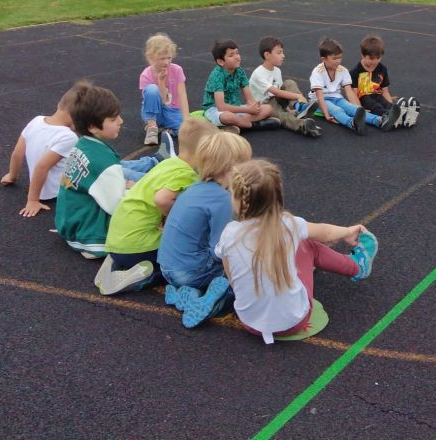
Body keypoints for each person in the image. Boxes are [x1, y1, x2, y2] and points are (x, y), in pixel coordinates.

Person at [213, 159, 378, 344]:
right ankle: (357, 267)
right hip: (294, 321)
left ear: (238, 200)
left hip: (250, 323)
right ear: (277, 196)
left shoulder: (229, 233)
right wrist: (348, 232)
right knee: (308, 244)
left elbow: (230, 274)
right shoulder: (288, 224)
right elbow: (325, 233)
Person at [95, 118, 218, 295]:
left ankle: (116, 262)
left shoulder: (168, 163)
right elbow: (162, 200)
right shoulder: (186, 174)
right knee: (184, 257)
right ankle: (147, 274)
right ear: (205, 152)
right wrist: (171, 220)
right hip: (137, 249)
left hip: (116, 240)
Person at [55, 84, 168, 258]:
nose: (121, 121)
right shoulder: (103, 162)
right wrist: (141, 193)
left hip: (70, 223)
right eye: (114, 119)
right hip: (90, 236)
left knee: (132, 187)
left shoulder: (82, 145)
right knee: (157, 226)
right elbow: (119, 207)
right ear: (92, 126)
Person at [159, 132, 253, 327]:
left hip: (166, 268)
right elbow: (220, 248)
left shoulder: (195, 187)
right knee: (244, 279)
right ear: (230, 169)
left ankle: (187, 294)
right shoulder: (222, 199)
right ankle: (207, 303)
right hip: (189, 272)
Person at [0, 82, 83, 217]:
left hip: (38, 186)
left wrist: (12, 176)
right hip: (56, 191)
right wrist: (33, 200)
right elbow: (42, 167)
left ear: (59, 104)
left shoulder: (36, 120)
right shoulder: (68, 136)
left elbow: (17, 153)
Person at [307, 37, 398, 135]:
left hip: (337, 98)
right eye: (334, 58)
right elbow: (319, 96)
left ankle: (380, 121)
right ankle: (352, 123)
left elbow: (349, 91)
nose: (338, 61)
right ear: (324, 59)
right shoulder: (317, 72)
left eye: (339, 57)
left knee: (352, 108)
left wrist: (359, 109)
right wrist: (326, 114)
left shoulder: (343, 70)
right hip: (320, 100)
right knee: (337, 110)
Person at [248, 36, 321, 138]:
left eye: (282, 52)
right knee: (283, 116)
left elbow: (279, 94)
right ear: (267, 55)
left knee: (289, 83)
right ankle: (302, 125)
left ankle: (300, 106)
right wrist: (298, 96)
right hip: (264, 105)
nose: (283, 56)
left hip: (275, 99)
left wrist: (289, 109)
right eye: (279, 53)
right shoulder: (259, 74)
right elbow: (276, 92)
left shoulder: (277, 71)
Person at [202, 39, 280, 132]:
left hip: (235, 109)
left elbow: (250, 99)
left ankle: (235, 126)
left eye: (237, 53)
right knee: (228, 117)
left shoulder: (239, 71)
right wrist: (248, 110)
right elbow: (221, 107)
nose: (237, 57)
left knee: (268, 108)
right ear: (221, 61)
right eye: (231, 55)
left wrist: (254, 107)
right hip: (215, 111)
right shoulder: (217, 75)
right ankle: (252, 125)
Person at [349, 34, 416, 128]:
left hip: (377, 95)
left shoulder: (382, 69)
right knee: (376, 106)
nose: (375, 62)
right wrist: (359, 109)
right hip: (363, 98)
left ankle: (403, 115)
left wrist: (392, 105)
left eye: (378, 58)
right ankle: (390, 117)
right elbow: (354, 94)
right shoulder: (355, 71)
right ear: (363, 55)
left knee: (386, 103)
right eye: (371, 59)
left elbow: (385, 92)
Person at [140, 33, 189, 145]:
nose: (166, 62)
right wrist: (161, 83)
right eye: (162, 58)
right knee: (152, 89)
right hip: (154, 113)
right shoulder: (146, 75)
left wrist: (187, 120)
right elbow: (163, 102)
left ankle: (166, 130)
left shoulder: (177, 70)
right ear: (151, 58)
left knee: (185, 131)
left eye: (169, 58)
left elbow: (182, 95)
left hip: (172, 111)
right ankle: (152, 127)